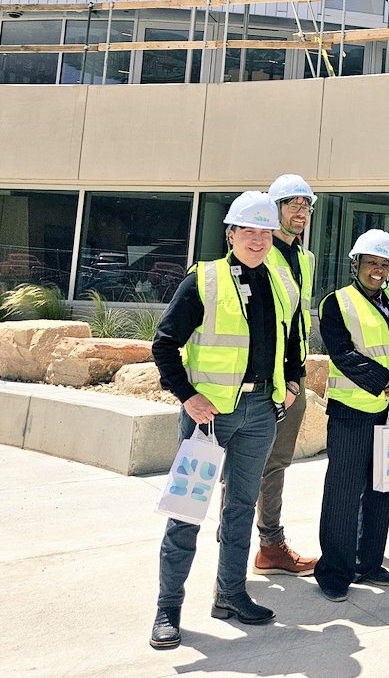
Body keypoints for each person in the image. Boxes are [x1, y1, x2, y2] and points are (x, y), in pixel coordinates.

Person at [150, 191, 301, 650]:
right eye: (248, 231)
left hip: (260, 415)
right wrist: (188, 396)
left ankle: (231, 595)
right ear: (231, 233)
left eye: (264, 231)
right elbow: (163, 344)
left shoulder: (281, 282)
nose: (258, 240)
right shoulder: (204, 280)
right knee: (187, 512)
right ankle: (167, 608)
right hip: (209, 417)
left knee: (239, 509)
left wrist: (291, 384)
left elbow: (292, 341)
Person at [314, 229, 389, 602]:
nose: (377, 270)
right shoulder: (336, 302)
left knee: (382, 488)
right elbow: (342, 354)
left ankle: (369, 562)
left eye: (384, 264)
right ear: (356, 263)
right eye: (371, 263)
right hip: (352, 413)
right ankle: (334, 571)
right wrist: (386, 382)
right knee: (343, 493)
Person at [245, 174, 318, 577]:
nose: (300, 212)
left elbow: (294, 323)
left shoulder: (303, 259)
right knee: (244, 463)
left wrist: (295, 379)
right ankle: (232, 546)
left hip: (292, 378)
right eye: (292, 203)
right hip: (259, 382)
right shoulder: (258, 254)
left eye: (306, 205)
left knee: (275, 464)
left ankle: (270, 545)